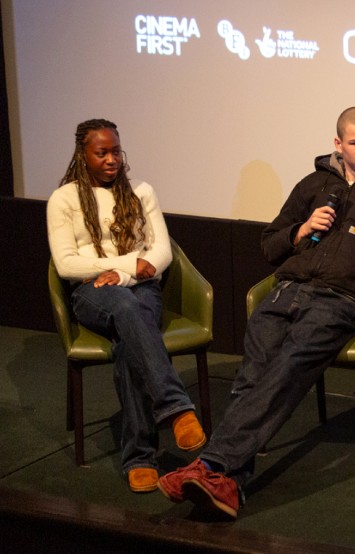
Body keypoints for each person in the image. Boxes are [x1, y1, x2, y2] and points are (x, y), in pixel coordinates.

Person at [159, 107, 355, 519]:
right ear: (338, 145)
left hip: (340, 300)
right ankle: (228, 485)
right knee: (251, 376)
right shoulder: (313, 184)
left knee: (287, 368)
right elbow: (268, 246)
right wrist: (301, 229)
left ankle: (210, 465)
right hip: (285, 293)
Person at [47, 119, 206, 493]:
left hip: (141, 287)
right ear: (82, 155)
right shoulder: (64, 199)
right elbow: (67, 264)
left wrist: (130, 274)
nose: (111, 159)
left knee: (128, 343)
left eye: (116, 151)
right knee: (124, 307)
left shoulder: (141, 191)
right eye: (101, 153)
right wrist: (125, 265)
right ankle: (176, 408)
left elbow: (161, 251)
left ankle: (139, 458)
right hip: (90, 291)